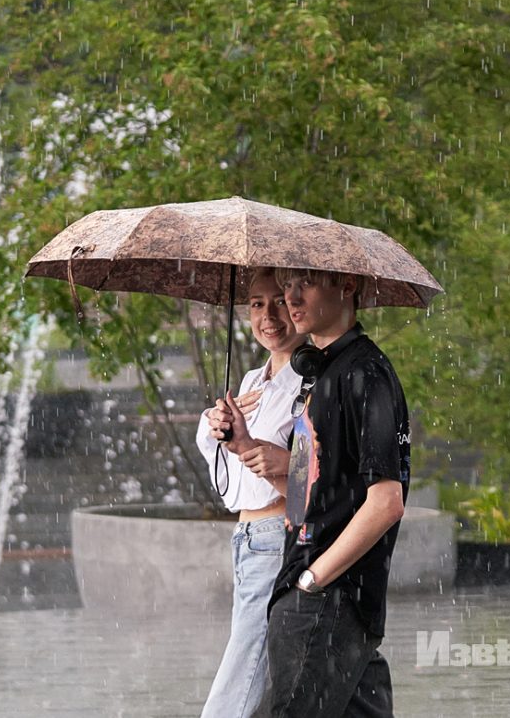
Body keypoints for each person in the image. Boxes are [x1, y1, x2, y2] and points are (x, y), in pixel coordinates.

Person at [251, 269, 410, 718]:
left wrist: (314, 580)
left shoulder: (365, 373)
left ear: (347, 286)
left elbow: (386, 502)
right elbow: (307, 496)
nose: (291, 296)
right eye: (287, 284)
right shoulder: (320, 375)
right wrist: (244, 445)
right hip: (316, 596)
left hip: (326, 598)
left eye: (308, 283)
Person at [196, 267, 305, 718]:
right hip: (245, 538)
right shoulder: (250, 382)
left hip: (275, 533)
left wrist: (253, 446)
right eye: (257, 304)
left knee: (244, 664)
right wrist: (215, 427)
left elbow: (310, 473)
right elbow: (229, 479)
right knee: (264, 667)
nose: (269, 316)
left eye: (279, 300)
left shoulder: (311, 382)